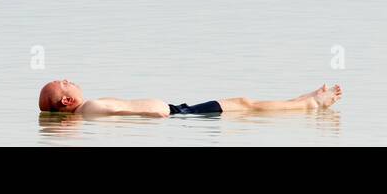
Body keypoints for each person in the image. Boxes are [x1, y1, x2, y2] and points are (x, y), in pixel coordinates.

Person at [37, 79, 342, 117]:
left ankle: (300, 101)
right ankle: (310, 104)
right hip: (180, 116)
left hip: (179, 113)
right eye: (63, 83)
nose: (68, 80)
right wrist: (161, 114)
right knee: (245, 105)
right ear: (65, 101)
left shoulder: (87, 114)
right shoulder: (90, 108)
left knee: (245, 104)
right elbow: (124, 113)